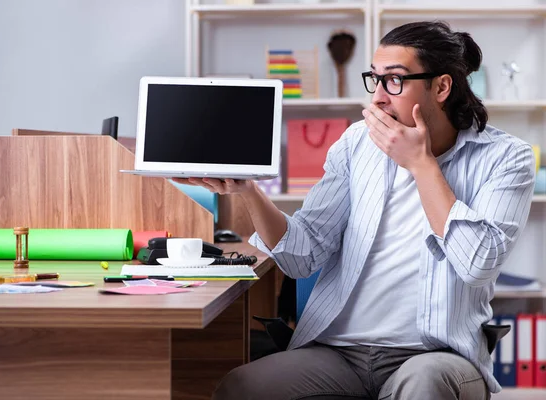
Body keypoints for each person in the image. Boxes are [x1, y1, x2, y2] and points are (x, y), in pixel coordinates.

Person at [174, 21, 536, 400]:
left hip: (435, 355)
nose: (378, 97)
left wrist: (421, 165)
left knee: (423, 385)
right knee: (242, 387)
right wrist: (248, 191)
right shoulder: (355, 143)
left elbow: (477, 264)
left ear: (442, 87)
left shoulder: (506, 158)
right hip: (338, 352)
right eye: (374, 79)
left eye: (394, 81)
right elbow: (303, 256)